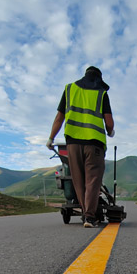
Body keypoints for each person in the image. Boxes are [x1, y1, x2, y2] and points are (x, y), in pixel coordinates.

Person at [47, 66, 115, 228]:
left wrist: (51, 138)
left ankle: (86, 214)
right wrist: (110, 132)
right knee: (93, 180)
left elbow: (59, 117)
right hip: (94, 144)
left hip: (73, 144)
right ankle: (90, 217)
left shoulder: (70, 89)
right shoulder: (101, 94)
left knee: (78, 180)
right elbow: (109, 123)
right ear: (98, 79)